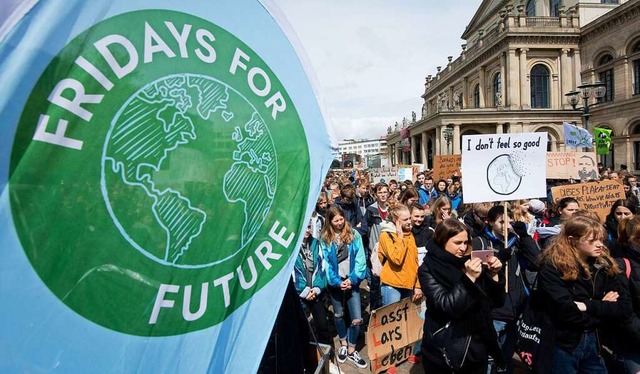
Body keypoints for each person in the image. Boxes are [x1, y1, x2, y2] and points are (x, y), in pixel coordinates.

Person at [537, 215, 632, 373]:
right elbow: (566, 310)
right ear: (572, 239)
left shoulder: (604, 264)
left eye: (601, 239)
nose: (599, 245)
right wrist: (603, 308)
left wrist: (586, 305)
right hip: (564, 343)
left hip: (596, 342)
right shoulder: (553, 267)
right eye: (592, 240)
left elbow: (623, 308)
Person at [419, 219, 505, 373]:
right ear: (442, 241)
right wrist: (469, 279)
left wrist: (494, 275)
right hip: (447, 348)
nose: (463, 248)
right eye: (457, 243)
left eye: (466, 242)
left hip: (478, 344)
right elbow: (448, 306)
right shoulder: (428, 268)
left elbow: (496, 302)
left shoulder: (470, 262)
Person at [472, 205, 540, 373]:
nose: (506, 226)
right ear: (490, 222)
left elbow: (537, 262)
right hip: (494, 310)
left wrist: (524, 236)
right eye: (502, 222)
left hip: (515, 309)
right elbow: (478, 272)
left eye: (509, 221)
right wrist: (499, 258)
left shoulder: (516, 240)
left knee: (506, 356)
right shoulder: (480, 241)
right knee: (488, 356)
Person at [320, 206, 368, 369]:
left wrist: (353, 278)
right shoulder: (325, 238)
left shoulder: (354, 234)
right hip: (336, 283)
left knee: (356, 317)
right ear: (330, 222)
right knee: (339, 314)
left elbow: (361, 257)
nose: (339, 223)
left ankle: (352, 348)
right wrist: (335, 281)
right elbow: (325, 263)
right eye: (336, 220)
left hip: (351, 281)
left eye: (341, 219)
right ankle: (343, 342)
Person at [293, 222, 330, 345]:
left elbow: (321, 266)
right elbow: (293, 273)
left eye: (308, 227)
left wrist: (317, 288)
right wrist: (304, 291)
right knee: (302, 329)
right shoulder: (292, 247)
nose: (306, 230)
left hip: (315, 292)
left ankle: (328, 359)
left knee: (323, 326)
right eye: (303, 227)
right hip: (301, 295)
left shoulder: (316, 243)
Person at [365, 182, 390, 310]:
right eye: (380, 192)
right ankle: (374, 309)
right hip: (375, 249)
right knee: (375, 282)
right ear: (375, 194)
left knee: (388, 281)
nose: (382, 195)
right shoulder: (371, 210)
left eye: (385, 192)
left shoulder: (392, 208)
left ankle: (386, 308)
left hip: (389, 250)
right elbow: (366, 229)